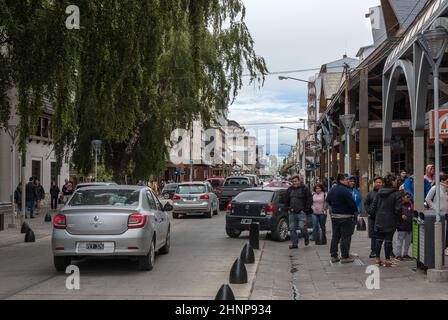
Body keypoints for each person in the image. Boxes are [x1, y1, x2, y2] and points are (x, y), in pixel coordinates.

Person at [370, 174, 402, 267]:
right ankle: (387, 260)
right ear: (392, 182)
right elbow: (398, 210)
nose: (397, 182)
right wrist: (398, 220)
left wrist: (376, 217)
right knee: (388, 240)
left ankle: (377, 259)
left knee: (378, 240)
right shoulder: (397, 194)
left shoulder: (379, 192)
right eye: (395, 180)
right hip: (390, 220)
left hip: (379, 220)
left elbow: (373, 208)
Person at [326, 173, 358, 264]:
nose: (348, 181)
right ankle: (344, 256)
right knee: (345, 237)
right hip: (346, 217)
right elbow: (352, 203)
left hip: (335, 217)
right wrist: (354, 210)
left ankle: (334, 256)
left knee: (335, 236)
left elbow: (328, 201)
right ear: (341, 180)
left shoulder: (332, 189)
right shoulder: (346, 190)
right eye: (347, 179)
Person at [285, 175, 313, 249]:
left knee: (302, 227)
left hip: (301, 212)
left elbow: (310, 200)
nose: (294, 183)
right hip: (292, 213)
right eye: (293, 181)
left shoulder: (305, 189)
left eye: (295, 181)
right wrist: (288, 208)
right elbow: (286, 200)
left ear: (299, 181)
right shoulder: (289, 190)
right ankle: (294, 244)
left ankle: (306, 238)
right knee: (291, 228)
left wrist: (305, 210)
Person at [365, 176, 384, 258]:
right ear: (374, 183)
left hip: (383, 217)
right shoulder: (370, 193)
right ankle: (374, 251)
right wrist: (369, 211)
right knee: (374, 235)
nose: (378, 184)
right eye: (377, 182)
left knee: (384, 234)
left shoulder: (384, 193)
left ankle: (389, 251)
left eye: (380, 182)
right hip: (373, 218)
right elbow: (366, 203)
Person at [396, 191, 414, 261]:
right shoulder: (399, 205)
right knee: (400, 241)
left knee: (408, 241)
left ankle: (405, 254)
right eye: (407, 197)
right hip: (401, 226)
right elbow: (395, 213)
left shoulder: (411, 204)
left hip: (409, 226)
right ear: (403, 198)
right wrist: (401, 216)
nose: (409, 199)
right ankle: (398, 255)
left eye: (409, 197)